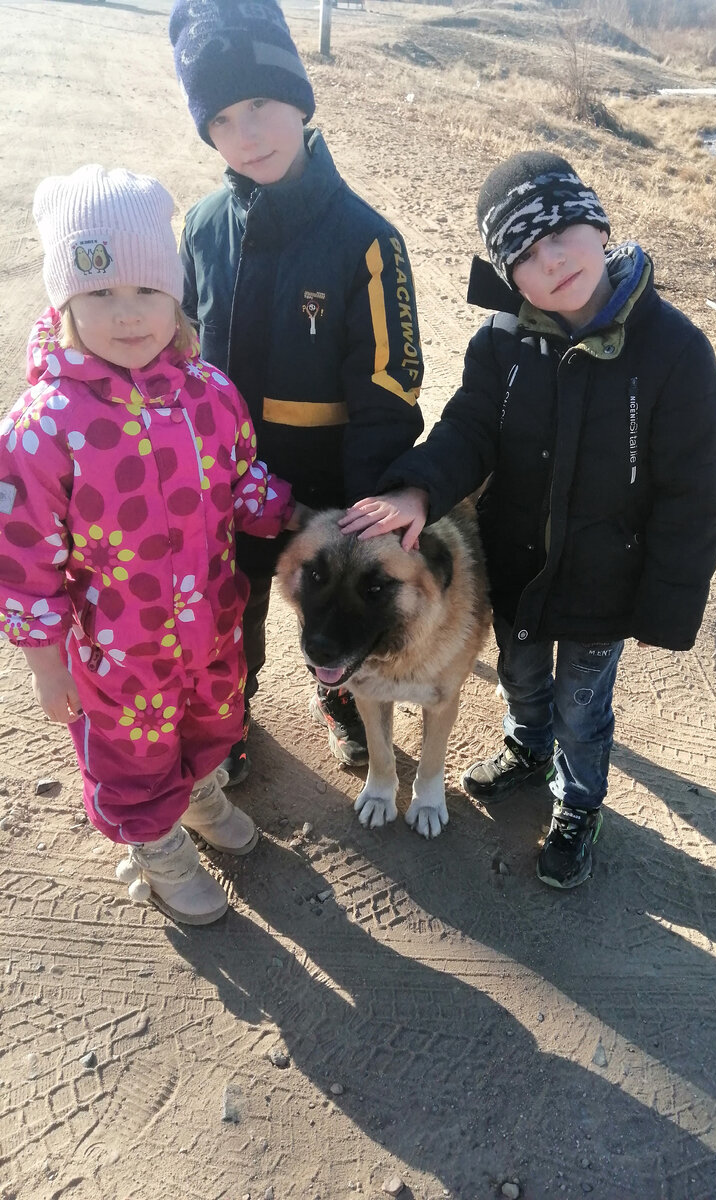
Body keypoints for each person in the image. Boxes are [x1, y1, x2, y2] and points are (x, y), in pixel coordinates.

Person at [340, 151, 716, 890]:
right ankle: (525, 745)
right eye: (524, 253)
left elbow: (692, 494)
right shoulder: (500, 342)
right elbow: (468, 430)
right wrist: (419, 491)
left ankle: (578, 804)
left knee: (583, 707)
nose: (551, 263)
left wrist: (667, 604)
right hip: (518, 568)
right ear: (508, 273)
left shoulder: (676, 353)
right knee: (520, 675)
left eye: (562, 235)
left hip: (603, 585)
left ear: (599, 225)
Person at [0, 164, 303, 924]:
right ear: (66, 302)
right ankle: (153, 841)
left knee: (208, 718)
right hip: (116, 648)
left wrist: (299, 516)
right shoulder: (42, 427)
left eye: (147, 292)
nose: (127, 315)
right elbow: (23, 562)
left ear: (176, 297)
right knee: (132, 751)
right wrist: (45, 663)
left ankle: (196, 793)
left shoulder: (209, 391)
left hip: (211, 623)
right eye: (100, 294)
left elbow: (241, 480)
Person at [169, 0, 425, 785]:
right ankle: (232, 708)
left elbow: (389, 388)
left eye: (260, 105)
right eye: (221, 119)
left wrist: (364, 509)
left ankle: (343, 695)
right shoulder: (203, 226)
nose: (246, 135)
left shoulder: (366, 239)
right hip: (223, 484)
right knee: (231, 608)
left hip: (327, 488)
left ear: (300, 101)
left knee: (335, 605)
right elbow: (175, 350)